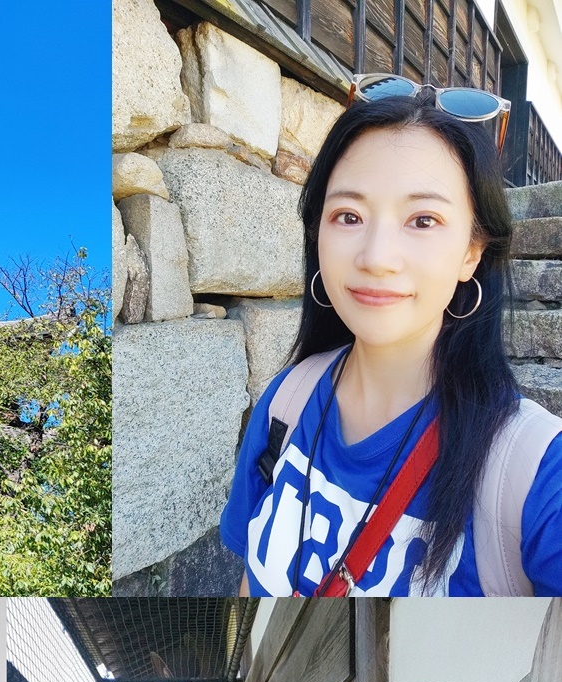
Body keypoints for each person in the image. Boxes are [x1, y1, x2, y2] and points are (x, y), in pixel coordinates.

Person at [220, 77, 562, 595]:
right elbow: (252, 580)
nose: (376, 257)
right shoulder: (285, 403)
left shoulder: (535, 474)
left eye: (423, 220)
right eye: (349, 216)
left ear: (472, 251)